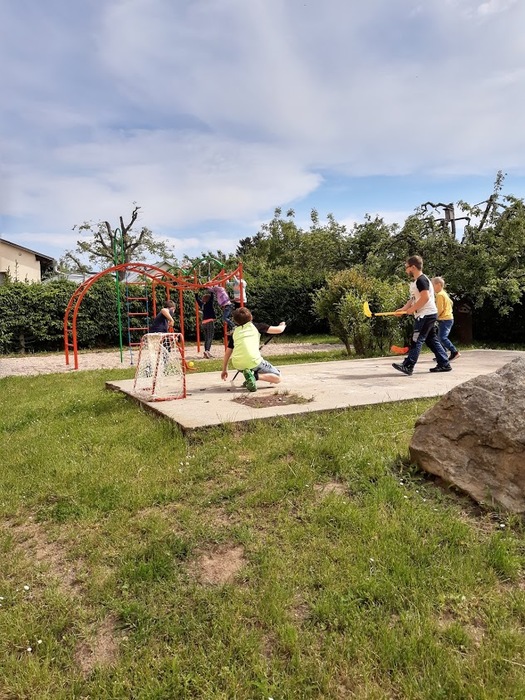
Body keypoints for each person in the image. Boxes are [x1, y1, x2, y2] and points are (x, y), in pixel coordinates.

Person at [392, 255, 452, 376]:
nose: (406, 270)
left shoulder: (422, 280)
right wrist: (403, 309)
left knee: (416, 339)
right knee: (431, 340)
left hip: (426, 315)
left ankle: (408, 365)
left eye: (407, 267)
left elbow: (425, 297)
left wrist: (412, 309)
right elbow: (413, 299)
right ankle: (444, 363)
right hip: (427, 314)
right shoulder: (417, 281)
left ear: (413, 267)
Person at [221, 307, 286, 391]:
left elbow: (227, 353)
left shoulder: (235, 332)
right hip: (253, 361)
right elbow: (279, 330)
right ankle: (255, 376)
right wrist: (282, 325)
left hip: (238, 364)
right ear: (251, 316)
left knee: (247, 365)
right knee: (278, 377)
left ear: (235, 321)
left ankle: (250, 378)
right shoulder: (257, 326)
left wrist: (224, 370)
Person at [432, 277, 460, 361]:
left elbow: (439, 309)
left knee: (442, 337)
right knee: (440, 338)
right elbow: (451, 302)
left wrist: (434, 318)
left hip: (445, 319)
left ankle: (454, 352)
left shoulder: (440, 295)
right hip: (447, 318)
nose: (432, 287)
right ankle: (442, 355)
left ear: (439, 285)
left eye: (433, 285)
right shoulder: (444, 293)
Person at [195, 290, 216, 359]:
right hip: (209, 322)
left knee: (207, 338)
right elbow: (212, 297)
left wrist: (196, 293)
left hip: (204, 323)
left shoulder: (202, 305)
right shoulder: (209, 303)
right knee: (210, 337)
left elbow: (197, 299)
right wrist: (211, 290)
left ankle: (206, 352)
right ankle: (207, 351)